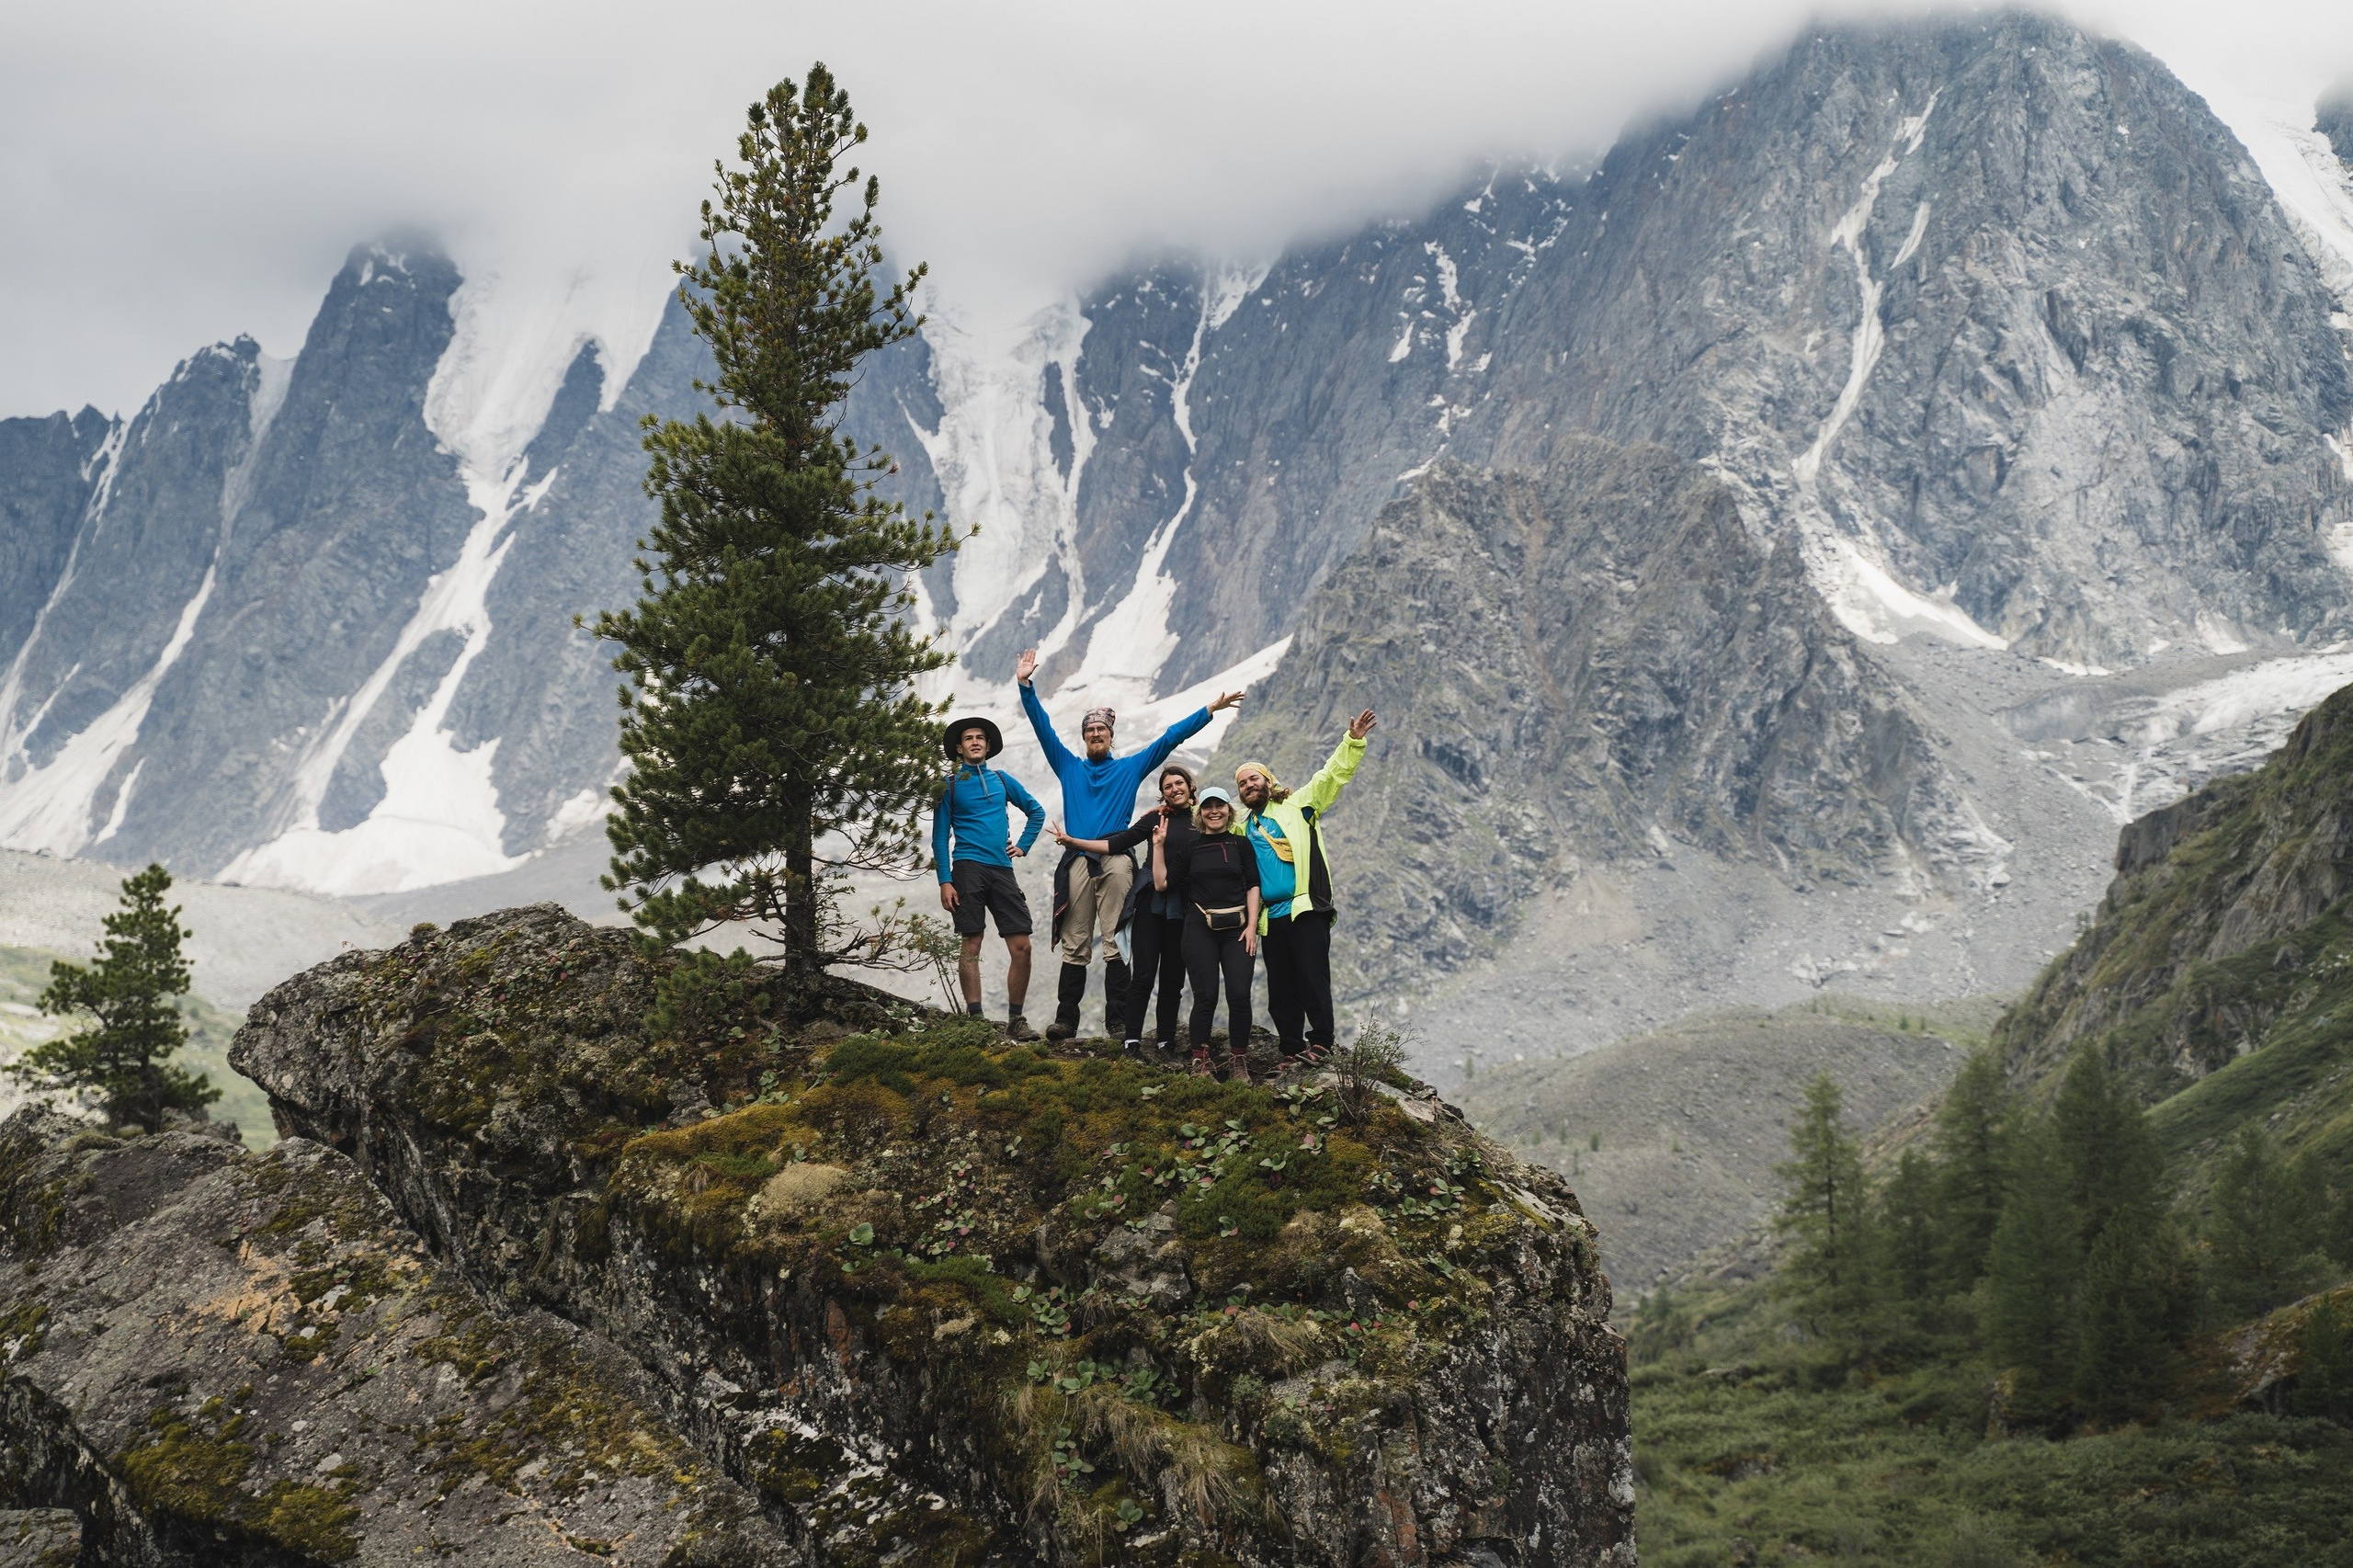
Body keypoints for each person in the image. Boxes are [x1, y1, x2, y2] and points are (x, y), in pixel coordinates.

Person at [1015, 648, 1244, 1039]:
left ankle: (1118, 1021)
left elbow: (1169, 739)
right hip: (1076, 858)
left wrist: (1209, 710)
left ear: (1111, 736)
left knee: (1116, 939)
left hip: (1117, 856)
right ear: (1084, 738)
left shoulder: (1128, 768)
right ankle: (1066, 1020)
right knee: (1075, 940)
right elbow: (1042, 728)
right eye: (1090, 731)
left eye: (1101, 730)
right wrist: (1025, 686)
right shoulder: (1068, 765)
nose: (1095, 734)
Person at [1234, 709, 1378, 1069]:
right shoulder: (1243, 828)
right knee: (1281, 986)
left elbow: (1331, 776)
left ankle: (1322, 1040)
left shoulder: (1300, 804)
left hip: (1306, 908)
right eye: (1242, 784)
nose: (1249, 786)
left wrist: (1353, 741)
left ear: (1269, 781)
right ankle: (1290, 1047)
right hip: (1271, 917)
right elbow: (1210, 828)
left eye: (1254, 780)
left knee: (1312, 977)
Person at [1051, 764, 1199, 1059]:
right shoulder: (1155, 819)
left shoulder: (1204, 817)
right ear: (1162, 793)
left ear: (1190, 787)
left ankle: (1165, 1042)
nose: (1174, 789)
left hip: (1183, 908)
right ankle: (1131, 1039)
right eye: (1168, 786)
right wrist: (1073, 842)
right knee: (1143, 975)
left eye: (1179, 783)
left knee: (1172, 979)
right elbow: (1117, 843)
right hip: (1151, 904)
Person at [932, 715, 1046, 1040]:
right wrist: (945, 880)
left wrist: (1023, 845)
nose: (975, 741)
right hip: (967, 867)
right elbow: (940, 837)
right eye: (968, 738)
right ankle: (976, 1019)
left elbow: (1036, 811)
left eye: (980, 737)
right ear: (959, 747)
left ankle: (1016, 1020)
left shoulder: (1001, 778)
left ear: (988, 744)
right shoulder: (949, 784)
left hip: (1002, 869)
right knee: (972, 941)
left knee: (1022, 946)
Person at [1153, 786, 1260, 1078]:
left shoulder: (1242, 845)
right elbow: (1162, 883)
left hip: (1238, 929)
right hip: (1199, 928)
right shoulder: (1191, 848)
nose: (1215, 811)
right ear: (1200, 814)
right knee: (1206, 996)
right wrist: (1158, 846)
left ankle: (1239, 1061)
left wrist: (1252, 927)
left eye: (1220, 805)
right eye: (1208, 806)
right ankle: (1200, 1062)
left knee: (1239, 995)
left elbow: (1253, 885)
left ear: (1229, 810)